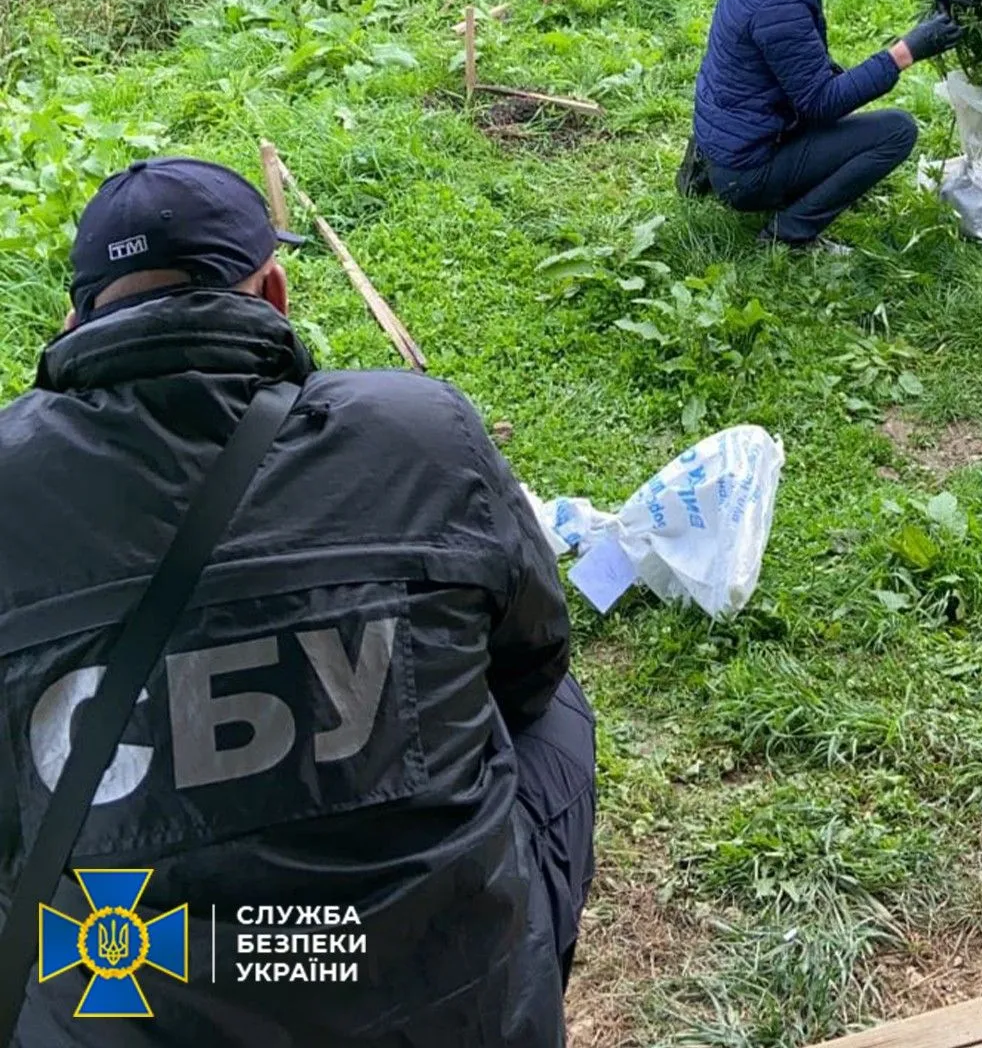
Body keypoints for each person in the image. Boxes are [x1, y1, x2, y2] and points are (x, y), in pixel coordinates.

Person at [0, 157, 594, 1046]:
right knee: (550, 714)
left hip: (112, 998)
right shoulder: (421, 430)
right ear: (272, 292)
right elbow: (533, 663)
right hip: (450, 1010)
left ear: (77, 317)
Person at [690, 0, 979, 251]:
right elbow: (822, 102)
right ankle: (787, 235)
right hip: (745, 172)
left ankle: (762, 179)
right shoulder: (775, 1)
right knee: (896, 132)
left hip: (731, 136)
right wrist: (908, 50)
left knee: (841, 86)